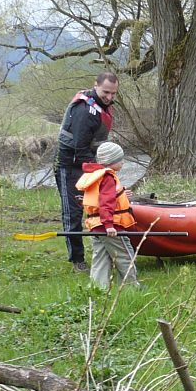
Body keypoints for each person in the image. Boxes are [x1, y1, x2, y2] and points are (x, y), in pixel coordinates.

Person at [54, 72, 119, 274]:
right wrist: (101, 171)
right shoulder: (85, 111)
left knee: (100, 207)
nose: (109, 97)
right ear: (96, 86)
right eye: (106, 92)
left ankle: (105, 251)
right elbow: (80, 148)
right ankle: (77, 260)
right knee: (73, 213)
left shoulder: (102, 107)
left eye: (113, 94)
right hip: (70, 166)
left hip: (88, 165)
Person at [75, 141, 139, 290]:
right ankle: (131, 288)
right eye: (120, 160)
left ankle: (98, 289)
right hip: (111, 226)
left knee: (101, 259)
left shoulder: (96, 175)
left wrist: (122, 194)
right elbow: (106, 202)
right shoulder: (108, 177)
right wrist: (109, 225)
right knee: (125, 256)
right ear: (111, 162)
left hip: (96, 227)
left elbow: (101, 197)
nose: (123, 162)